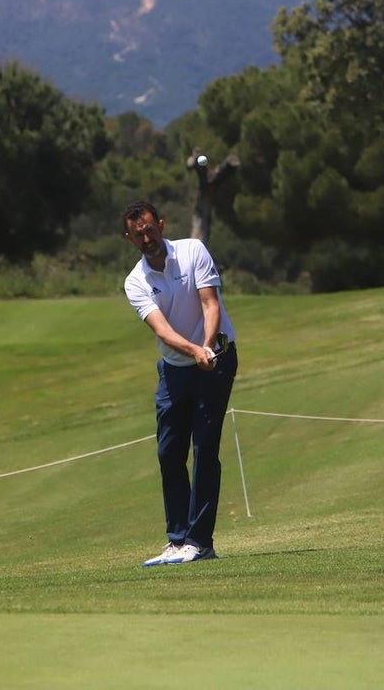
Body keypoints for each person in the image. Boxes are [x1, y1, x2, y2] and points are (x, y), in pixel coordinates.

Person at [121, 200, 238, 566]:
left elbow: (210, 304)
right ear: (130, 238)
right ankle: (177, 539)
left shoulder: (192, 251)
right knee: (169, 451)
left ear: (161, 224)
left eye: (150, 229)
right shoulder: (135, 281)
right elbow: (162, 330)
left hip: (216, 358)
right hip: (175, 367)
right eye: (138, 234)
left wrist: (206, 349)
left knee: (204, 448)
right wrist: (192, 352)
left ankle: (200, 542)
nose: (146, 237)